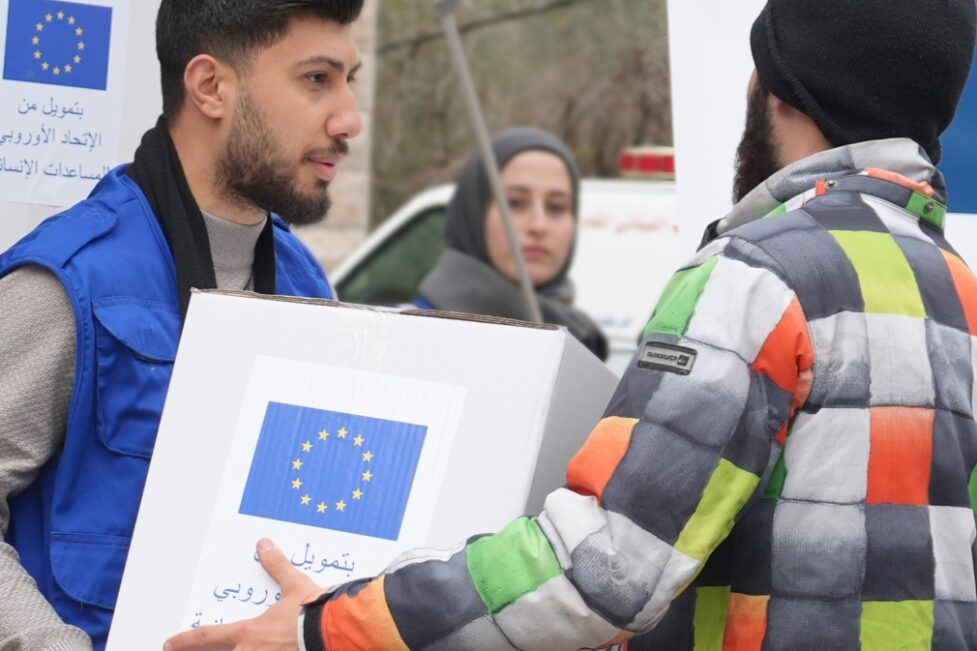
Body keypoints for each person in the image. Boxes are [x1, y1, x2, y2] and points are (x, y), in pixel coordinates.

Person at [167, 0, 977, 648]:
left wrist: (327, 626)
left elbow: (605, 571)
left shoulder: (757, 276)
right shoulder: (958, 291)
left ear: (778, 86)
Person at [0, 1, 364, 648]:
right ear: (210, 86)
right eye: (317, 79)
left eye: (349, 81)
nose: (349, 119)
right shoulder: (66, 282)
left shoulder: (309, 288)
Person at [417, 127, 608, 360]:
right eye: (515, 202)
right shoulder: (415, 333)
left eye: (557, 207)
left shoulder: (582, 339)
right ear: (473, 212)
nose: (538, 225)